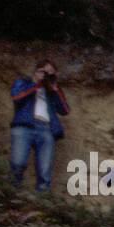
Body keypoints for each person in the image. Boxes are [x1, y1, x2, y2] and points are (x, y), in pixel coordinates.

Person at [8, 59, 70, 193]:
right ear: (37, 71)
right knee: (18, 163)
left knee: (45, 169)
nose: (47, 75)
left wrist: (54, 88)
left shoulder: (52, 90)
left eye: (51, 73)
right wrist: (36, 83)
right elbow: (16, 97)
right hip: (24, 126)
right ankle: (11, 194)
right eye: (44, 72)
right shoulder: (23, 82)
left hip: (46, 128)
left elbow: (65, 110)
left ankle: (41, 203)